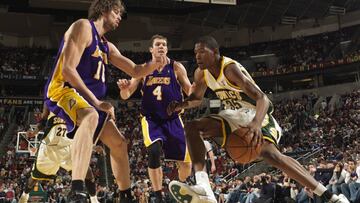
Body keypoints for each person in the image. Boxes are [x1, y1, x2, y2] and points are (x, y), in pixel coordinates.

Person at [167, 36, 349, 203]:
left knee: (271, 156)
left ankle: (329, 196)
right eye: (195, 53)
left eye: (202, 52)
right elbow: (197, 99)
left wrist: (255, 124)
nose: (197, 56)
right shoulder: (201, 73)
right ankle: (204, 186)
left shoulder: (230, 68)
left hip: (257, 114)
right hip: (233, 114)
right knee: (191, 127)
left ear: (215, 52)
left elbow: (263, 98)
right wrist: (180, 105)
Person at [44, 0, 166, 202]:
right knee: (91, 115)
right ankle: (77, 188)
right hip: (63, 90)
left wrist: (156, 63)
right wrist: (97, 103)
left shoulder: (106, 45)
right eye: (117, 12)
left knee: (119, 143)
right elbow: (67, 70)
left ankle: (125, 195)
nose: (119, 17)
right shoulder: (83, 26)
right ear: (104, 9)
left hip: (86, 100)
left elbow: (135, 70)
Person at [117, 34, 192, 203]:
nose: (161, 47)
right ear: (151, 49)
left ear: (166, 49)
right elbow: (126, 95)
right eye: (157, 44)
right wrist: (123, 88)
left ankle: (180, 187)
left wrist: (195, 92)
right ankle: (159, 196)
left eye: (164, 45)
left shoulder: (176, 67)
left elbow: (190, 91)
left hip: (173, 120)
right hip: (152, 120)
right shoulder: (142, 69)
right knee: (154, 151)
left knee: (186, 165)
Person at [19, 104, 100, 203]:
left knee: (87, 171)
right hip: (49, 147)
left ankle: (94, 199)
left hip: (69, 145)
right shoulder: (51, 98)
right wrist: (35, 132)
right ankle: (25, 195)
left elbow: (86, 125)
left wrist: (92, 144)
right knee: (35, 177)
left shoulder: (78, 101)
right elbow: (43, 120)